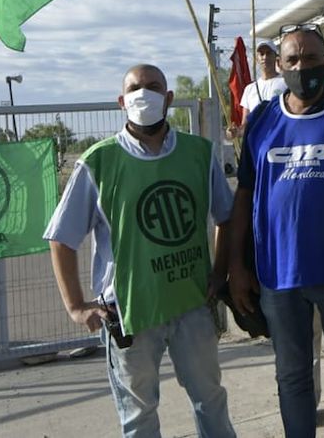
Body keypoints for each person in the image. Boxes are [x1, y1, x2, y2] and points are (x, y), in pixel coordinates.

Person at [44, 64, 236, 438]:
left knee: (210, 400)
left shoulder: (198, 153)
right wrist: (76, 305)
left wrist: (220, 273)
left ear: (168, 98)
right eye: (135, 88)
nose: (143, 94)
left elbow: (225, 216)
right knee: (139, 416)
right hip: (129, 316)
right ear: (122, 101)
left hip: (191, 305)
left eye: (153, 87)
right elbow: (61, 238)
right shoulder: (98, 162)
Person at [227, 25, 324, 438]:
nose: (301, 67)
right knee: (291, 375)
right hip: (278, 276)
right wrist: (237, 266)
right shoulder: (262, 121)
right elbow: (244, 197)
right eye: (292, 60)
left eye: (310, 59)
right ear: (280, 66)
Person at [232, 40, 287, 135]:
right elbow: (245, 125)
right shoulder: (250, 89)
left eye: (268, 53)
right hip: (257, 143)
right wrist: (235, 132)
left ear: (276, 57)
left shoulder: (286, 83)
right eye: (261, 54)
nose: (265, 57)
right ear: (257, 59)